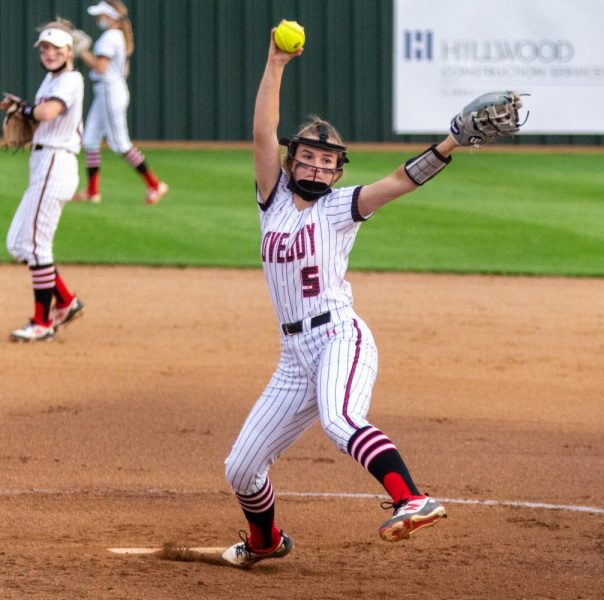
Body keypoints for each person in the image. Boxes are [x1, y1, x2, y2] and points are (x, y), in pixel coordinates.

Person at [220, 30, 524, 567]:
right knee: (241, 468)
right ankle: (265, 542)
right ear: (292, 162)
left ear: (338, 170)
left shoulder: (341, 207)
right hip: (293, 358)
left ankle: (413, 498)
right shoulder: (272, 201)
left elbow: (400, 180)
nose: (316, 167)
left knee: (341, 419)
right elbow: (262, 132)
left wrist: (449, 144)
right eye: (307, 158)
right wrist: (275, 63)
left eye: (326, 162)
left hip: (339, 335)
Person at [3, 21, 86, 342]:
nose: (50, 53)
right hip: (45, 163)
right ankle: (65, 301)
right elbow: (41, 114)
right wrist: (25, 110)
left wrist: (24, 109)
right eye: (45, 48)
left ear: (69, 51)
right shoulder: (52, 79)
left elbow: (48, 113)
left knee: (36, 245)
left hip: (56, 162)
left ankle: (42, 322)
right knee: (19, 243)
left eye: (56, 48)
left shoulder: (70, 79)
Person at [72, 0, 168, 205]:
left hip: (110, 91)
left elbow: (100, 67)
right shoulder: (118, 36)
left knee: (119, 143)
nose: (99, 19)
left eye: (101, 15)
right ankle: (92, 191)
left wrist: (82, 51)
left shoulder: (110, 37)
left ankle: (155, 184)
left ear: (111, 17)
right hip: (108, 90)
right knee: (90, 140)